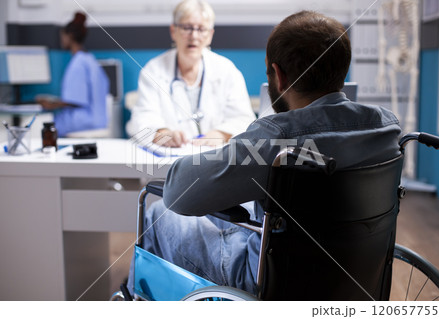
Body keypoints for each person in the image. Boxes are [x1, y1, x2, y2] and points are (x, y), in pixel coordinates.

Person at [127, 11, 402, 296]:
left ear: (278, 77)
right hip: (356, 269)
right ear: (342, 71)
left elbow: (177, 192)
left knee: (159, 210)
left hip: (271, 279)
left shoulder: (275, 138)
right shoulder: (386, 127)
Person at [125, 0, 255, 147]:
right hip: (170, 159)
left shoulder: (227, 70)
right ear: (173, 31)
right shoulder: (153, 71)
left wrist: (219, 134)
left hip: (216, 158)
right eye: (187, 28)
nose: (193, 36)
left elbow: (243, 119)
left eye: (201, 29)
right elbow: (142, 119)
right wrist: (163, 134)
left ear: (210, 35)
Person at [36, 12, 109, 137]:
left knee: (43, 126)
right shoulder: (90, 59)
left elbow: (74, 101)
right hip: (100, 120)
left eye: (62, 36)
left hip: (84, 121)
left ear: (69, 36)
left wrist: (51, 104)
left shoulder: (78, 63)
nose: (61, 40)